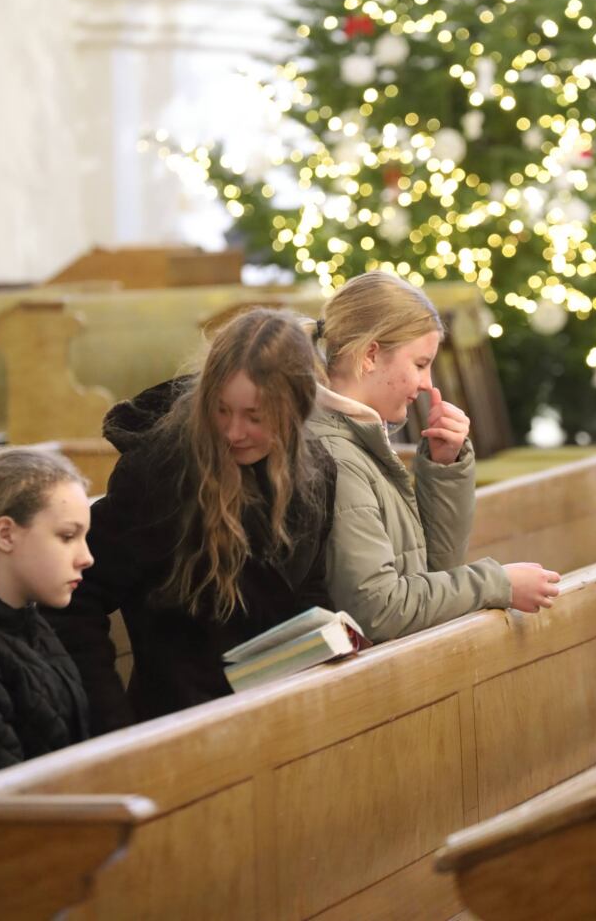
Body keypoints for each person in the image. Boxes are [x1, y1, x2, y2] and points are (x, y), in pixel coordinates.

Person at [47, 307, 337, 736]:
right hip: (177, 724)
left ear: (296, 409)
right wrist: (113, 721)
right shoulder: (160, 475)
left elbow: (307, 585)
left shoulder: (317, 471)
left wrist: (334, 648)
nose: (233, 432)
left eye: (255, 417)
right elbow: (76, 595)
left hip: (274, 713)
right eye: (221, 410)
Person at [306, 271, 560, 642]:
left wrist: (444, 467)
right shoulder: (338, 456)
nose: (428, 384)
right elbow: (378, 612)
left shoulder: (363, 440)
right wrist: (498, 583)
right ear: (371, 355)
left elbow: (433, 570)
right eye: (420, 364)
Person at [0, 449, 92, 777]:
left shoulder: (30, 623)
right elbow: (1, 795)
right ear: (5, 534)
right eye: (67, 536)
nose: (86, 557)